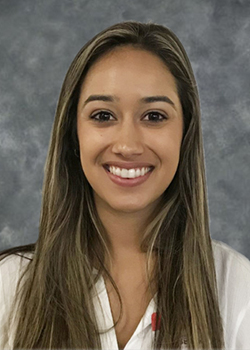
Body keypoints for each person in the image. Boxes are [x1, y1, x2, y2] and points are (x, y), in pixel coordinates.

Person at [0, 21, 250, 350]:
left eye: (155, 116)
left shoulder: (237, 287)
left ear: (185, 134)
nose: (128, 145)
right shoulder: (10, 285)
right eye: (103, 116)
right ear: (73, 134)